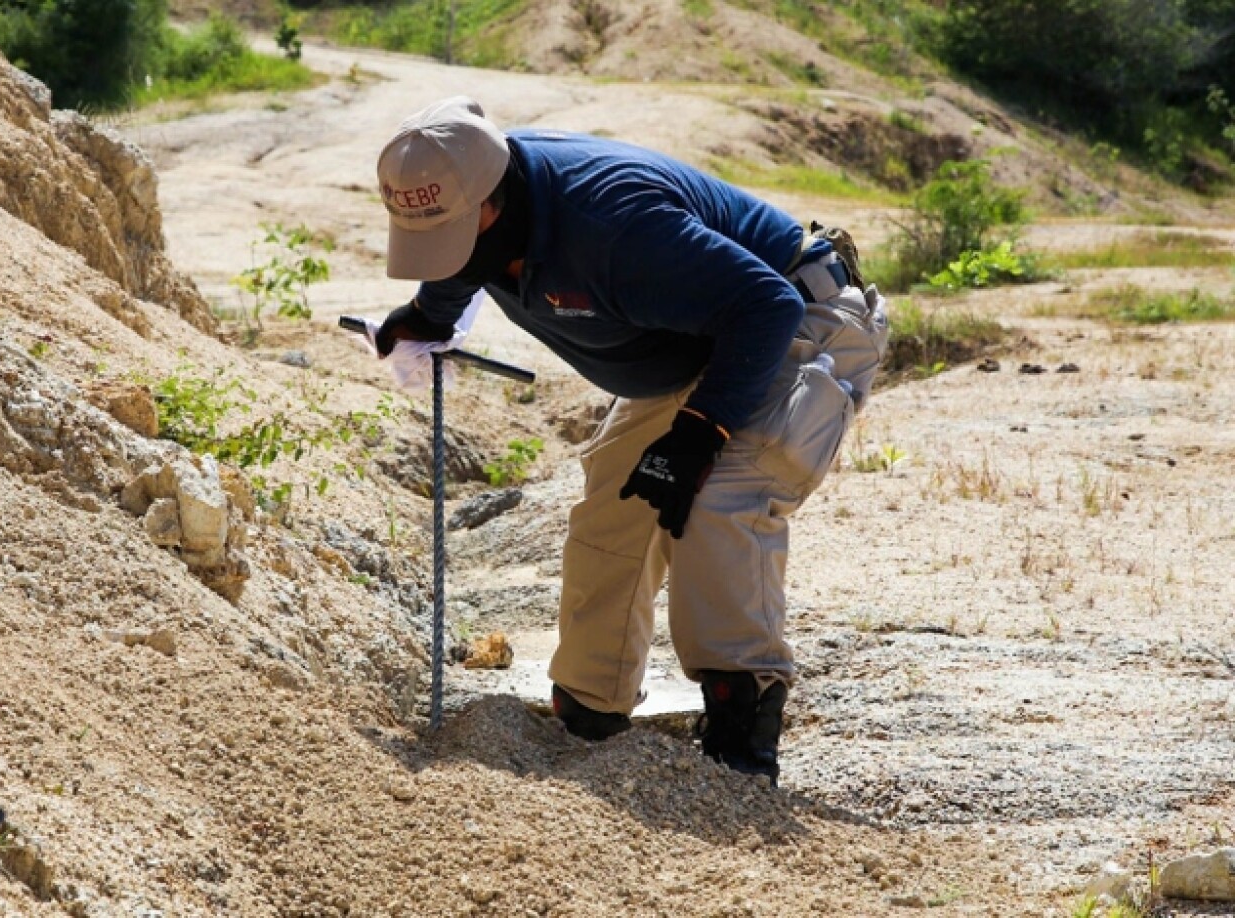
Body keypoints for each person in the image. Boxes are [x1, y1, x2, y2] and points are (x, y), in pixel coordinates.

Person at [373, 96, 888, 785]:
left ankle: (742, 728)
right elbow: (459, 260)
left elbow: (766, 307)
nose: (451, 253)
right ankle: (591, 706)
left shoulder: (612, 226)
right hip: (699, 339)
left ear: (494, 202)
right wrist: (426, 316)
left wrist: (700, 434)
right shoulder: (475, 188)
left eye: (458, 234)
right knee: (614, 502)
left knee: (716, 500)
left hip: (795, 322)